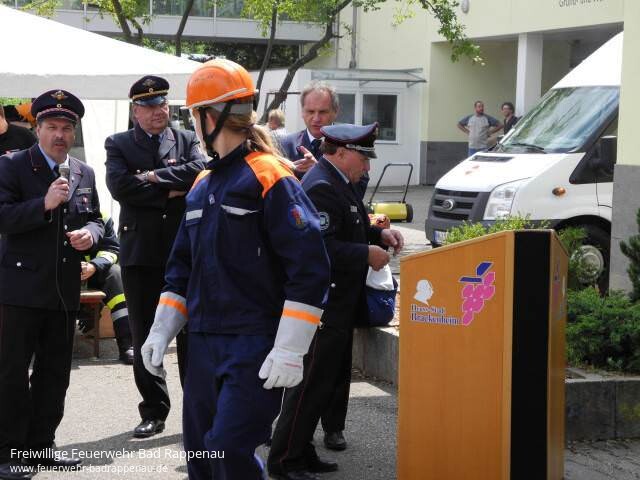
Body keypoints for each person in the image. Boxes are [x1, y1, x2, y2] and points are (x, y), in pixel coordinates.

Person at [140, 58, 331, 480]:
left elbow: (310, 268)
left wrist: (290, 347)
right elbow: (181, 268)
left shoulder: (271, 176)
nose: (192, 123)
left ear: (208, 116)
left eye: (193, 114)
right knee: (201, 455)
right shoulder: (202, 183)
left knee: (227, 449)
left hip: (253, 342)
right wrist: (161, 329)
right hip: (203, 341)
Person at [268, 123, 404, 480]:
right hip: (323, 305)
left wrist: (378, 234)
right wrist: (366, 252)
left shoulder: (335, 180)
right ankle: (284, 461)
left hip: (336, 304)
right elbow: (319, 247)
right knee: (309, 386)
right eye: (364, 158)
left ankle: (301, 450)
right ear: (341, 153)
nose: (368, 166)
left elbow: (348, 224)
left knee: (319, 386)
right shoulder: (323, 186)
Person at [0, 89, 104, 479]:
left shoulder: (83, 172)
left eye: (66, 128)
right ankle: (9, 451)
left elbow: (96, 218)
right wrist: (43, 204)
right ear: (37, 129)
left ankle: (42, 446)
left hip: (63, 289)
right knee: (11, 375)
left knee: (55, 374)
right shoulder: (11, 166)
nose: (60, 135)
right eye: (52, 127)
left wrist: (91, 235)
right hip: (20, 289)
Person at [105, 75, 207, 439]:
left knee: (192, 335)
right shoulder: (118, 143)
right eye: (148, 106)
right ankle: (153, 409)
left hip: (183, 250)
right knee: (145, 331)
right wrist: (169, 190)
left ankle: (198, 408)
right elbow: (120, 187)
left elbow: (199, 172)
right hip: (142, 253)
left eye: (162, 104)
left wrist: (149, 177)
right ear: (135, 111)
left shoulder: (186, 138)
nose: (157, 112)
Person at [77, 214, 134, 365]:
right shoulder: (56, 211)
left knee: (115, 274)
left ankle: (127, 344)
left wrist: (94, 266)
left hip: (94, 272)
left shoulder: (103, 217)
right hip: (59, 274)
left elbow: (112, 249)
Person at [279, 81, 339, 178]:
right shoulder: (285, 145)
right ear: (302, 112)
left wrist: (318, 170)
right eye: (310, 112)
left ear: (335, 112)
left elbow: (357, 185)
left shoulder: (348, 148)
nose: (316, 119)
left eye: (322, 112)